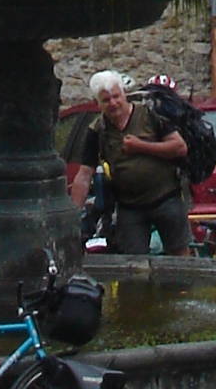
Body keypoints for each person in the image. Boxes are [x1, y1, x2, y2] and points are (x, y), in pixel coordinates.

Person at [67, 68, 192, 255]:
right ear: (97, 104)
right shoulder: (96, 130)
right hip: (129, 207)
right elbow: (84, 175)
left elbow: (179, 147)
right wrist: (73, 215)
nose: (113, 103)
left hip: (166, 198)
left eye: (116, 96)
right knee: (133, 263)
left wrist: (141, 146)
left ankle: (182, 286)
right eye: (106, 100)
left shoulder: (150, 114)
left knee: (180, 258)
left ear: (124, 94)